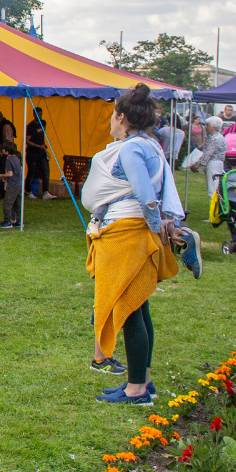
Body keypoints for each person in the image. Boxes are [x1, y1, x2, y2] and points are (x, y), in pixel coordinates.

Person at [82, 83, 194, 405]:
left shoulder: (131, 149)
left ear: (121, 117)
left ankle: (136, 390)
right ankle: (142, 380)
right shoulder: (151, 144)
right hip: (135, 231)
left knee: (129, 311)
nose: (110, 119)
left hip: (127, 233)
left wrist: (158, 228)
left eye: (112, 114)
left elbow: (145, 195)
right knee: (140, 309)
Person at [0, 139, 23, 227]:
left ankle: (7, 221)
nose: (1, 150)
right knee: (18, 204)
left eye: (3, 149)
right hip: (19, 184)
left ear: (7, 151)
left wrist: (0, 175)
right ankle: (19, 221)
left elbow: (10, 174)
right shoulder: (16, 158)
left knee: (7, 203)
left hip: (13, 185)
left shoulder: (9, 160)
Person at [198, 116, 228, 198]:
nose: (206, 127)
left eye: (208, 125)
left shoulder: (215, 138)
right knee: (215, 185)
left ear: (214, 127)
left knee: (212, 187)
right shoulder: (218, 137)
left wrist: (199, 164)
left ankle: (214, 203)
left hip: (213, 163)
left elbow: (208, 153)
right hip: (218, 163)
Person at [24, 109, 50, 198]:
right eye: (38, 114)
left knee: (46, 171)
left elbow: (42, 135)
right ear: (34, 115)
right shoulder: (30, 126)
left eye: (41, 114)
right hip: (32, 152)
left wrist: (43, 147)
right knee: (31, 171)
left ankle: (45, 192)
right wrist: (38, 146)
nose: (39, 116)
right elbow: (27, 141)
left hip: (41, 152)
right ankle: (28, 191)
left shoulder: (43, 123)